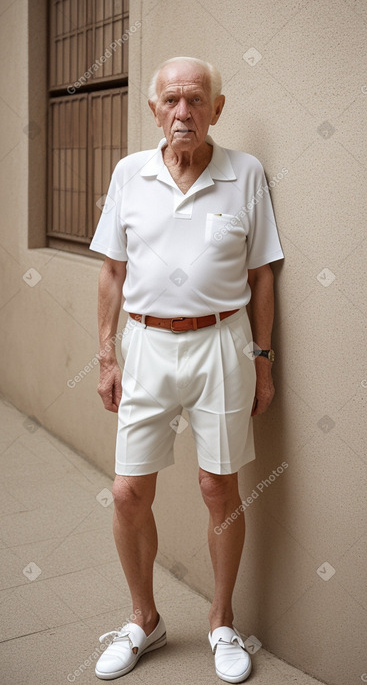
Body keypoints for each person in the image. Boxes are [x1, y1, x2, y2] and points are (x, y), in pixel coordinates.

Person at [90, 56, 284, 683]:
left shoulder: (245, 173)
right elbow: (113, 273)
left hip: (222, 345)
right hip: (145, 345)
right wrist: (106, 353)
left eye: (196, 100)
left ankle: (222, 621)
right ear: (154, 110)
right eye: (171, 101)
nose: (183, 113)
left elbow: (260, 277)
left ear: (217, 109)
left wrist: (262, 358)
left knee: (217, 487)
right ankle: (145, 619)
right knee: (126, 491)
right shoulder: (129, 174)